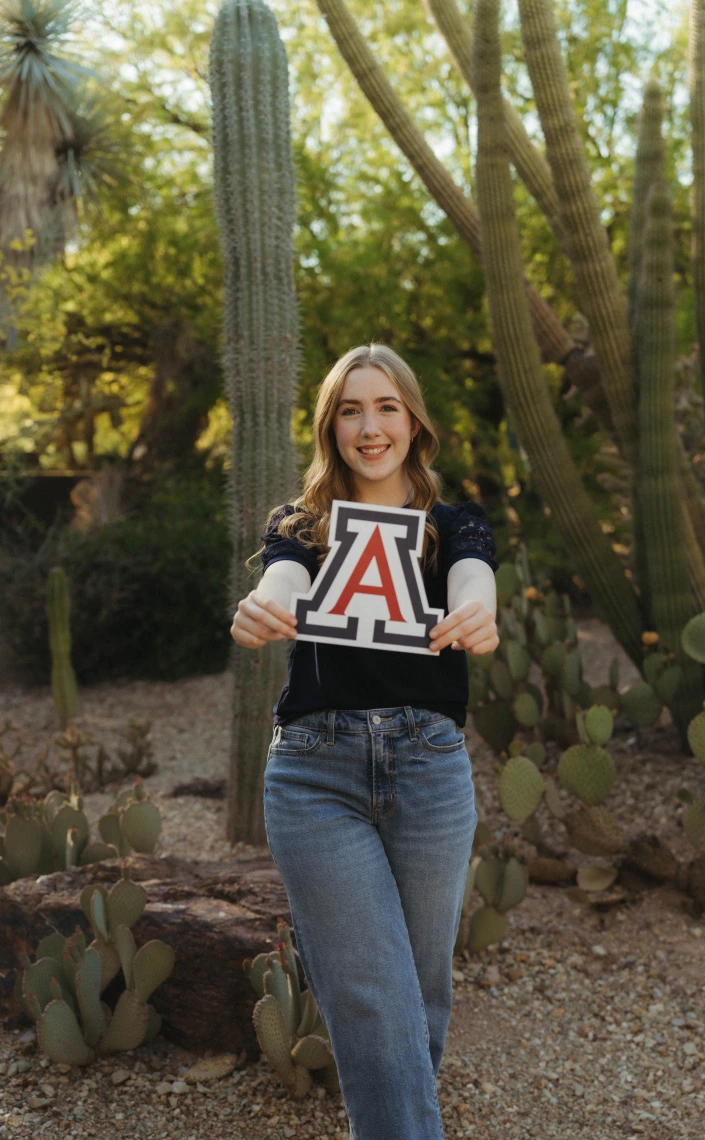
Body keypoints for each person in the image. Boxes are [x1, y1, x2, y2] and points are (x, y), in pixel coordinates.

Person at [230, 343, 499, 1140]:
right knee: (371, 994)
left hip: (430, 769)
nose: (369, 426)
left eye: (385, 407)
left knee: (419, 994)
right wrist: (263, 601)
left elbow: (474, 579)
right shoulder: (300, 524)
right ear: (331, 427)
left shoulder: (455, 525)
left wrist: (478, 612)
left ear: (414, 423)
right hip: (316, 776)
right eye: (350, 410)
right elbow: (284, 579)